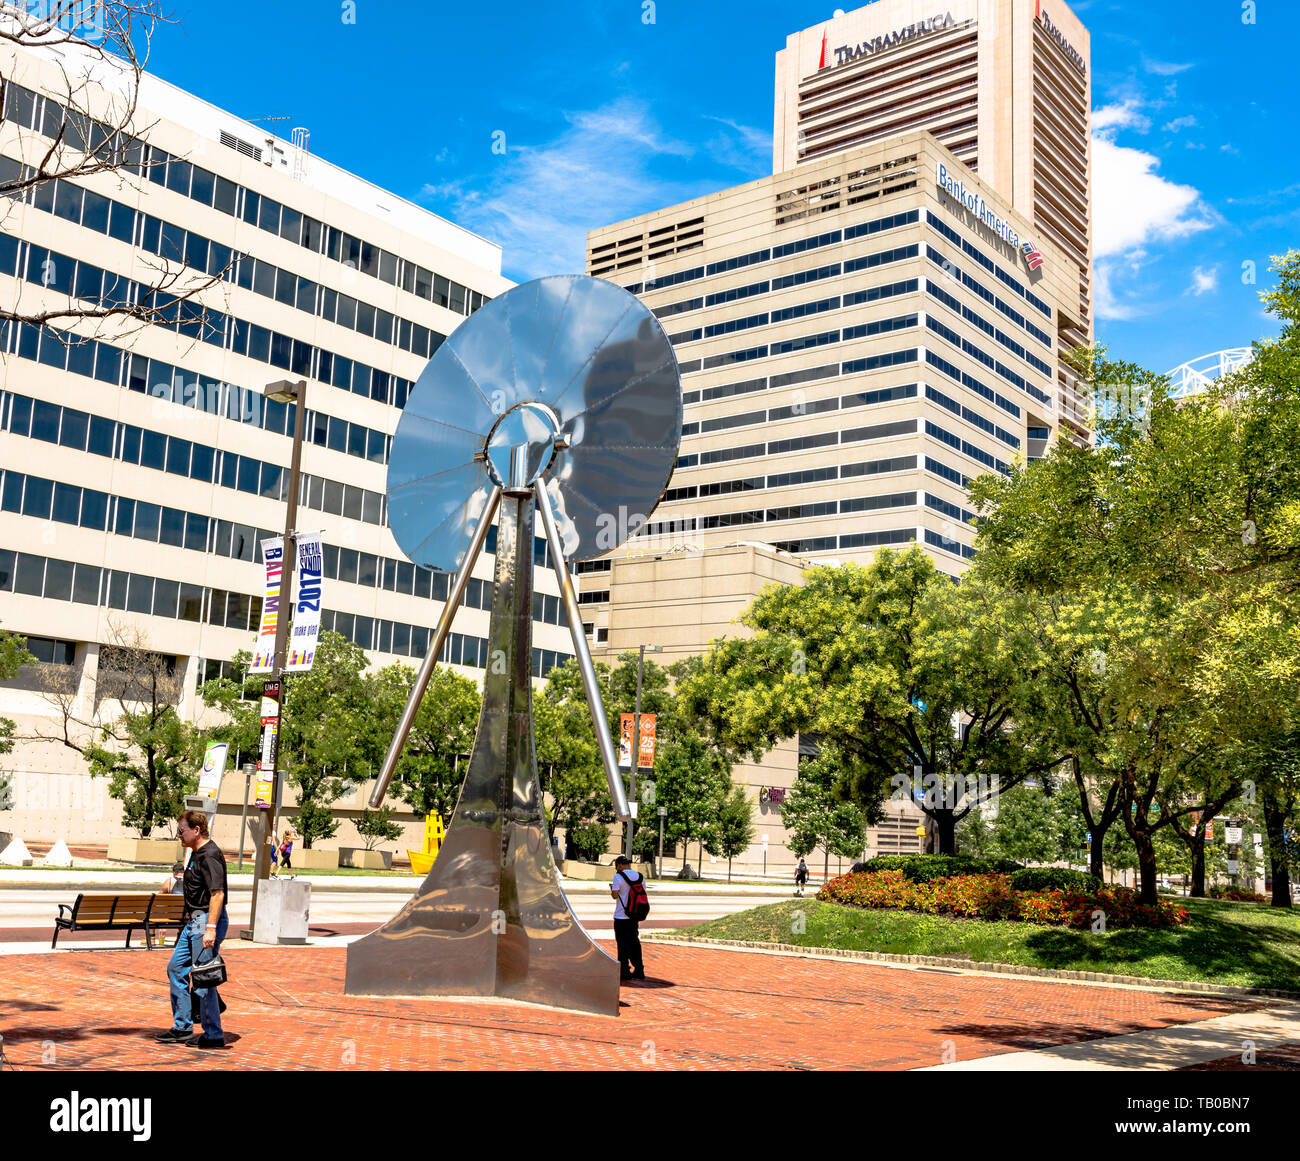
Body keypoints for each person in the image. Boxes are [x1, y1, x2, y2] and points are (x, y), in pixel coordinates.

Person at [156, 810, 228, 1049]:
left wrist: (210, 928)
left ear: (196, 830)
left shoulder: (210, 855)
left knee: (203, 978)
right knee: (176, 969)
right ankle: (183, 1027)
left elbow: (218, 893)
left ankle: (213, 1034)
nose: (178, 835)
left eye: (181, 830)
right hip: (194, 921)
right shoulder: (196, 853)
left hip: (205, 921)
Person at [610, 854, 646, 981]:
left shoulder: (618, 876)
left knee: (622, 943)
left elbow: (615, 895)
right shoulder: (640, 877)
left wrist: (613, 889)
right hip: (634, 916)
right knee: (634, 942)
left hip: (621, 916)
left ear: (619, 865)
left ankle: (624, 971)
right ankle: (639, 969)